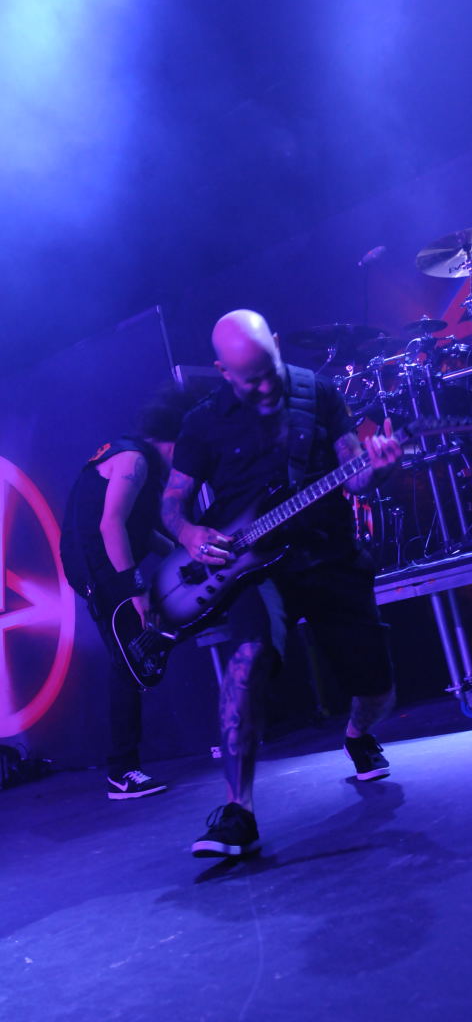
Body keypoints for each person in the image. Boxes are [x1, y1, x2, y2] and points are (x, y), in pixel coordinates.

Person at [160, 309, 402, 858]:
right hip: (253, 570)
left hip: (329, 554)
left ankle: (357, 735)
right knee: (244, 664)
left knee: (378, 688)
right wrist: (191, 533)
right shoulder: (202, 421)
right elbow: (172, 503)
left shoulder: (319, 392)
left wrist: (381, 466)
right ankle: (237, 811)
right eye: (251, 381)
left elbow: (356, 476)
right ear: (223, 371)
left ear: (275, 342)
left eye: (270, 371)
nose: (266, 388)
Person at [60, 389, 191, 800]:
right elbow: (110, 525)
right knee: (126, 664)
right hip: (99, 567)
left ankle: (124, 766)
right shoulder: (134, 460)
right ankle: (121, 771)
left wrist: (184, 554)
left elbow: (140, 530)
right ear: (171, 439)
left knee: (140, 651)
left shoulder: (140, 461)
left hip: (110, 561)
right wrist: (134, 587)